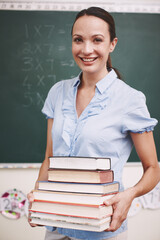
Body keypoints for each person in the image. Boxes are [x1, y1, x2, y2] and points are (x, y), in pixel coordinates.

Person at [28, 6, 160, 240]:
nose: (86, 49)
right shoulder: (57, 92)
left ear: (112, 44)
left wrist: (130, 194)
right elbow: (49, 158)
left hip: (102, 229)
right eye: (78, 40)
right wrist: (38, 198)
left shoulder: (130, 100)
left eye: (97, 40)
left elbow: (153, 168)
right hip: (56, 226)